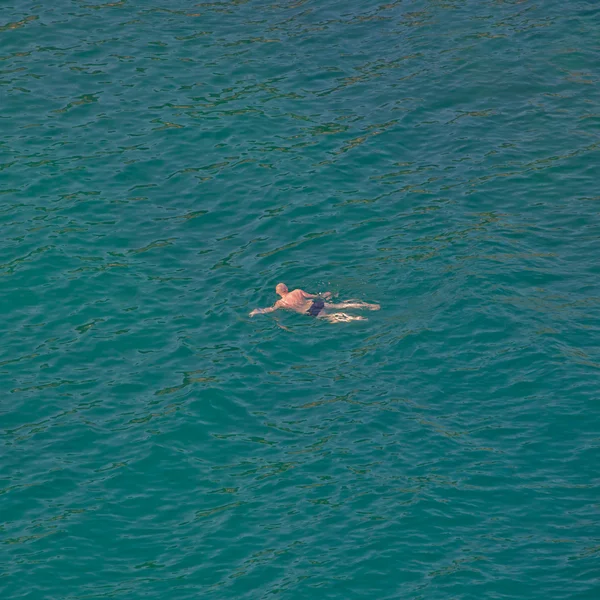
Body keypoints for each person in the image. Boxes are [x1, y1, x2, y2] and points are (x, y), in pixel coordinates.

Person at [249, 283, 380, 323]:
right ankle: (369, 306)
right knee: (341, 305)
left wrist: (257, 311)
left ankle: (358, 318)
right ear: (287, 289)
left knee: (333, 316)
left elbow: (270, 310)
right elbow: (314, 296)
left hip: (310, 312)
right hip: (315, 303)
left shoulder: (281, 303)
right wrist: (325, 295)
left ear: (278, 293)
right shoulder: (297, 291)